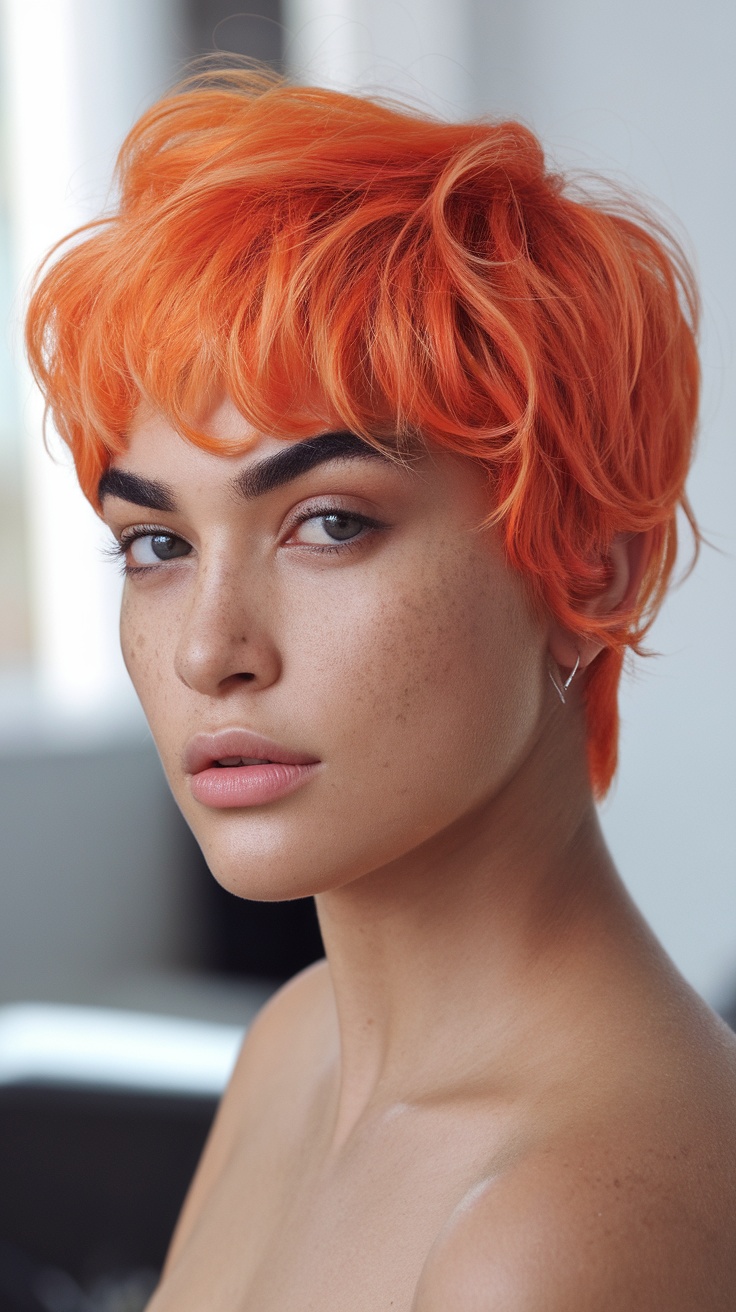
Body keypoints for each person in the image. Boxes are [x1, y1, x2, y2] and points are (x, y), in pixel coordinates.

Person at [26, 66, 736, 1310]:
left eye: (331, 523)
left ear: (590, 567)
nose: (209, 652)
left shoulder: (555, 1227)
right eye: (158, 544)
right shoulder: (297, 1044)